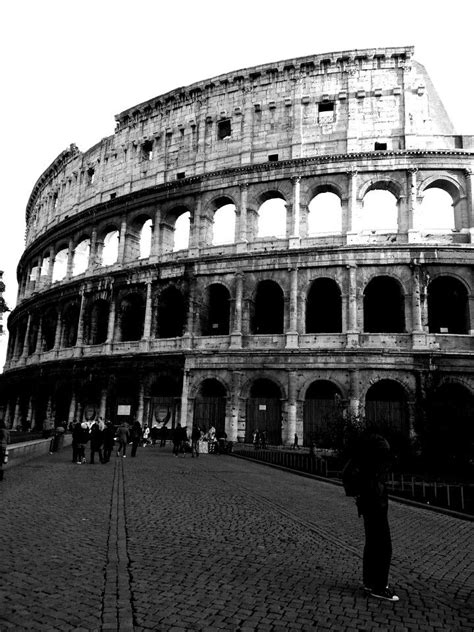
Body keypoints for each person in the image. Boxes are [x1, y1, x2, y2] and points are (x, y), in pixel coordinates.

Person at [353, 431, 399, 602]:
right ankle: (379, 587)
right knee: (383, 545)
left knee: (372, 543)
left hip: (368, 505)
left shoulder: (366, 469)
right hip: (375, 506)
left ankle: (370, 582)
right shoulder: (374, 474)